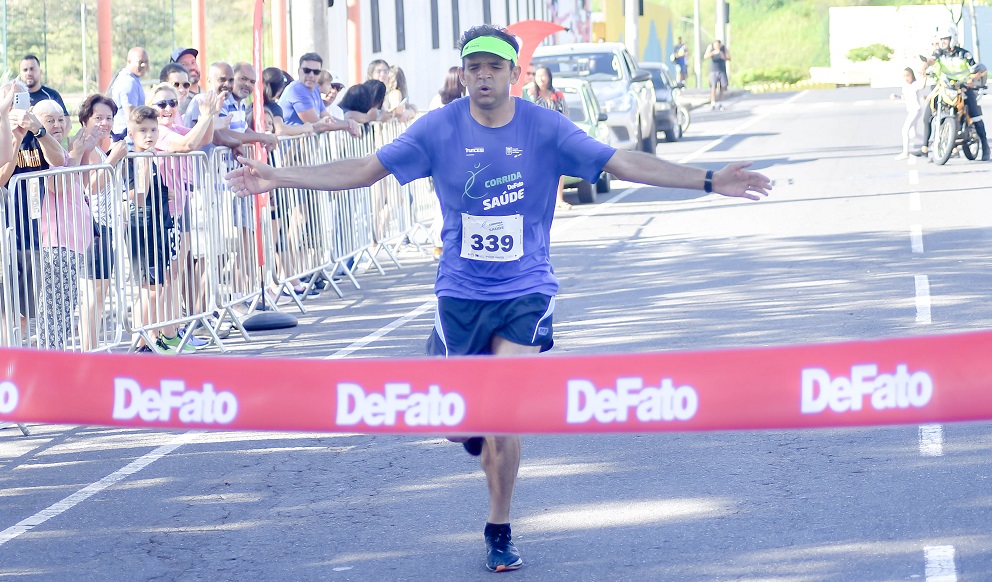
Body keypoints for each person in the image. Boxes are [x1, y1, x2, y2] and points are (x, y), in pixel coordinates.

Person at [225, 24, 771, 573]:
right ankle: (464, 415)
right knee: (462, 420)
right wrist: (277, 174)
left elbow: (621, 163)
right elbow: (365, 172)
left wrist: (707, 180)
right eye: (473, 68)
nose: (483, 76)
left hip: (525, 290)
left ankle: (499, 525)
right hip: (459, 291)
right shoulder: (438, 127)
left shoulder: (545, 127)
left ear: (514, 74)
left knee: (502, 408)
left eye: (494, 67)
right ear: (462, 75)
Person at [0, 81, 68, 339]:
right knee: (7, 306)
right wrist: (15, 138)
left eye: (22, 100)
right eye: (11, 100)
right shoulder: (4, 134)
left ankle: (15, 357)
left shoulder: (39, 133)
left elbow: (59, 160)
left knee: (25, 309)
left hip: (34, 233)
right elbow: (3, 178)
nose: (17, 106)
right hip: (7, 231)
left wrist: (39, 130)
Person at [32, 99, 91, 350]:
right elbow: (57, 185)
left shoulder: (63, 148)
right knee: (55, 312)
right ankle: (50, 363)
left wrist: (83, 151)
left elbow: (83, 184)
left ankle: (55, 360)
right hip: (57, 242)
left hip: (73, 242)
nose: (56, 124)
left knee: (65, 310)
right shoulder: (46, 149)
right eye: (49, 120)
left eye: (60, 118)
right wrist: (77, 154)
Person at [73, 94, 129, 352]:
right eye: (98, 118)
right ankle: (88, 351)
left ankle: (92, 349)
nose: (104, 123)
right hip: (92, 226)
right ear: (85, 119)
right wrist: (112, 160)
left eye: (109, 118)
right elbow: (90, 187)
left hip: (105, 225)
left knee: (100, 289)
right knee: (93, 292)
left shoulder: (97, 146)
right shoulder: (84, 145)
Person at [914, 23, 989, 161]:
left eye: (946, 39)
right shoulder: (940, 53)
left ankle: (985, 147)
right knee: (928, 115)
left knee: (976, 116)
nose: (943, 42)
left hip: (963, 88)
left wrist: (972, 80)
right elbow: (931, 60)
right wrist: (924, 67)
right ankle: (933, 147)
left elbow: (976, 69)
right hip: (945, 88)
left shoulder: (964, 54)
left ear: (953, 38)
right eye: (941, 39)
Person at [277, 53, 359, 135]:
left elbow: (327, 118)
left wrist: (348, 123)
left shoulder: (315, 89)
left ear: (319, 74)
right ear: (299, 71)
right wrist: (347, 125)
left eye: (316, 72)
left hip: (306, 146)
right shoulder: (296, 89)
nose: (311, 75)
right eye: (307, 71)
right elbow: (318, 124)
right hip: (289, 146)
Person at [526, 66, 571, 210]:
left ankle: (559, 199)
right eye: (538, 76)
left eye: (543, 75)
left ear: (549, 77)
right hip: (538, 137)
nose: (541, 79)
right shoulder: (532, 95)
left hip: (556, 136)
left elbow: (565, 115)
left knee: (558, 168)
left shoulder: (557, 95)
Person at [110, 47, 149, 141]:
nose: (143, 65)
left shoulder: (132, 79)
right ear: (129, 61)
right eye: (140, 62)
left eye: (146, 61)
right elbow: (132, 116)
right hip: (128, 141)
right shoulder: (129, 82)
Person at [892, 66, 925, 160]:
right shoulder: (905, 85)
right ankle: (930, 142)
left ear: (912, 75)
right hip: (911, 110)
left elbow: (922, 86)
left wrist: (924, 77)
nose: (906, 78)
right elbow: (905, 98)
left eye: (908, 75)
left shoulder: (914, 84)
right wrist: (897, 97)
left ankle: (905, 152)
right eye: (904, 76)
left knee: (905, 130)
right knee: (913, 134)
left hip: (916, 110)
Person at [170, 47, 202, 115]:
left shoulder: (205, 94)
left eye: (193, 62)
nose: (191, 67)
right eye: (184, 64)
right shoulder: (176, 101)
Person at [704, 39, 730, 110]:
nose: (717, 46)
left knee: (722, 87)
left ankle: (721, 103)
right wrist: (713, 53)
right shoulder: (711, 47)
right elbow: (705, 56)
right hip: (713, 70)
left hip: (722, 70)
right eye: (716, 45)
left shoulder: (723, 48)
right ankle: (713, 103)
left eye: (718, 45)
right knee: (713, 87)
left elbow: (729, 58)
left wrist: (723, 56)